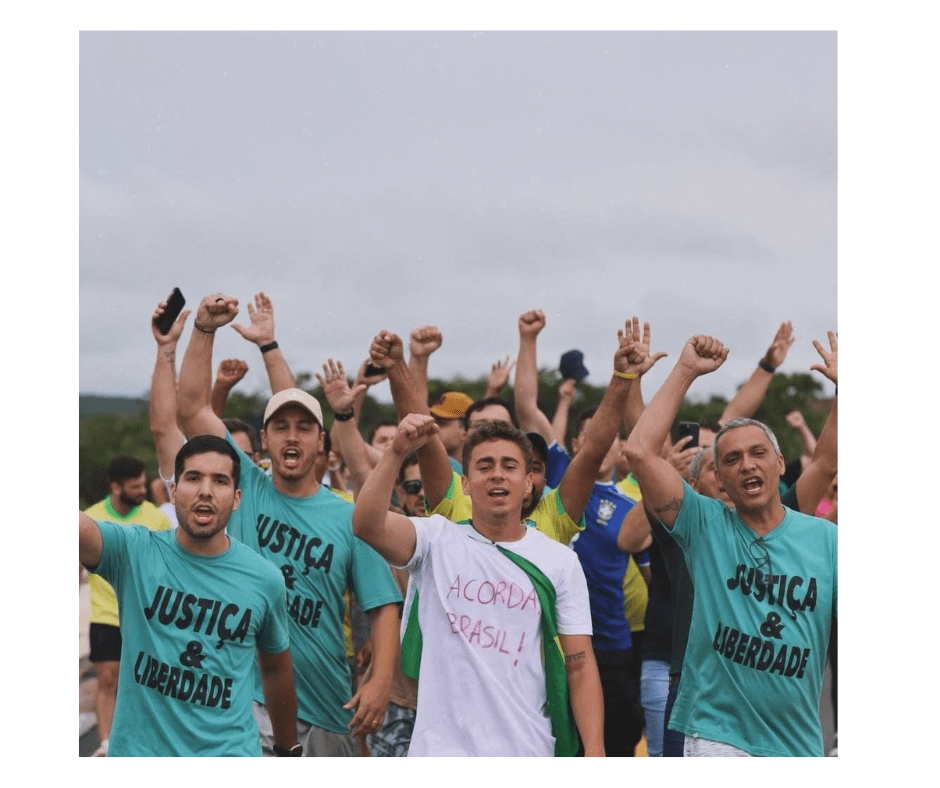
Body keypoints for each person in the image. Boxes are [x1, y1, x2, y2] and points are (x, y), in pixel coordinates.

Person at [176, 291, 402, 756]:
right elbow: (193, 408)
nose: (292, 436)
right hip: (244, 699)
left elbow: (383, 605)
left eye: (304, 428)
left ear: (321, 442)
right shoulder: (247, 487)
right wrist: (203, 330)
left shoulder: (348, 516)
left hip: (326, 705)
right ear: (264, 439)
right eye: (281, 427)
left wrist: (381, 681)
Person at [624, 334, 837, 757]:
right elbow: (641, 451)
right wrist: (685, 370)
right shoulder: (703, 526)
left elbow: (829, 461)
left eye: (758, 453)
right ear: (718, 478)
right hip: (715, 735)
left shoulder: (826, 538)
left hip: (797, 743)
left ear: (781, 463)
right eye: (732, 460)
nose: (747, 465)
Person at [352, 415, 605, 756]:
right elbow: (366, 525)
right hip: (439, 753)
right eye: (484, 466)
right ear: (466, 484)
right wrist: (396, 452)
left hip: (526, 749)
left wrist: (595, 750)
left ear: (528, 483)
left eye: (509, 466)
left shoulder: (559, 561)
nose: (497, 474)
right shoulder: (435, 540)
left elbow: (579, 663)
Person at [78, 436, 300, 756]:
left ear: (237, 498)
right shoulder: (133, 552)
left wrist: (288, 749)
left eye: (220, 481)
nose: (205, 491)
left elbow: (276, 669)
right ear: (173, 491)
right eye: (193, 478)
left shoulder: (265, 579)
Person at [84, 454, 173, 756]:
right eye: (135, 486)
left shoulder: (156, 518)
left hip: (146, 617)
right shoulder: (92, 518)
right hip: (106, 615)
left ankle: (147, 742)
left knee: (147, 682)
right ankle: (106, 745)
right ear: (116, 487)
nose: (143, 491)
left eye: (143, 484)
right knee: (107, 679)